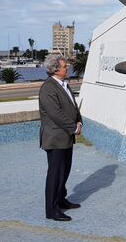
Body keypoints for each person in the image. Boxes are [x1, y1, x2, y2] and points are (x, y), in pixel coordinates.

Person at [39, 55, 83, 221]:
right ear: (56, 69)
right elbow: (55, 114)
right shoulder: (48, 88)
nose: (68, 69)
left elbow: (72, 106)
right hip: (55, 138)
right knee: (55, 174)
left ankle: (61, 199)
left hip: (65, 137)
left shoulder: (64, 84)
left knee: (64, 171)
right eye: (65, 67)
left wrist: (79, 121)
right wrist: (73, 127)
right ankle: (51, 210)